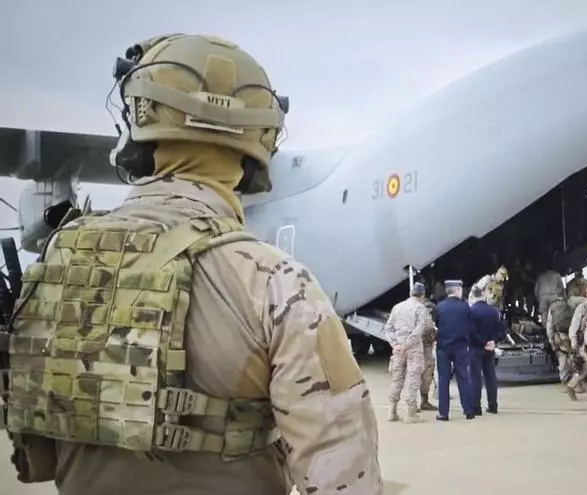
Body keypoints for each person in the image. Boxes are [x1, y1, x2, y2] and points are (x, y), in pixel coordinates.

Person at [1, 34, 382, 494]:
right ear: (258, 143)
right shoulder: (276, 283)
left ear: (139, 124)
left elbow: (38, 441)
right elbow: (344, 474)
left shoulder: (61, 258)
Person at [384, 283, 430, 423]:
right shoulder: (420, 308)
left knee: (397, 379)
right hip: (413, 348)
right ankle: (410, 414)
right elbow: (419, 330)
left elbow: (388, 328)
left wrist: (395, 345)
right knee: (413, 378)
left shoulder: (397, 307)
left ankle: (392, 411)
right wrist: (406, 345)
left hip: (398, 349)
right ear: (422, 295)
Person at [435, 280, 477, 421]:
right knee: (464, 377)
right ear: (457, 290)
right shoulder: (465, 307)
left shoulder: (439, 307)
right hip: (461, 348)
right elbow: (472, 328)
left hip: (443, 348)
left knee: (443, 379)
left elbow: (436, 325)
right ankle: (468, 410)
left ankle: (443, 413)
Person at [468, 286, 507, 415]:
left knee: (475, 378)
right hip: (490, 349)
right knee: (490, 377)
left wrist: (482, 343)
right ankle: (493, 406)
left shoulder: (471, 311)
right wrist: (493, 341)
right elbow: (502, 331)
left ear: (473, 296)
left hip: (475, 349)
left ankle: (476, 407)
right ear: (483, 296)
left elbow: (471, 332)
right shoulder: (493, 311)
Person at [419, 299, 439, 411]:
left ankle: (413, 404)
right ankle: (424, 402)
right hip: (425, 348)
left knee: (415, 375)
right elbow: (430, 332)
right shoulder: (428, 319)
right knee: (427, 373)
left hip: (414, 348)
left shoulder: (414, 312)